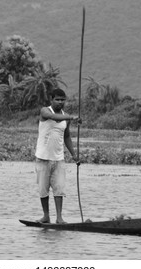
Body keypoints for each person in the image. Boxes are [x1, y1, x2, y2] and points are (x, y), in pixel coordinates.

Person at [35, 88, 80, 224]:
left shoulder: (65, 117)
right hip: (43, 158)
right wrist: (71, 117)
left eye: (62, 100)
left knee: (59, 189)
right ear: (52, 99)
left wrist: (74, 155)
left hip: (59, 158)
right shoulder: (45, 111)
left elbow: (66, 136)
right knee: (43, 189)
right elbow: (54, 117)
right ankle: (46, 216)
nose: (60, 102)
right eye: (57, 99)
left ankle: (59, 217)